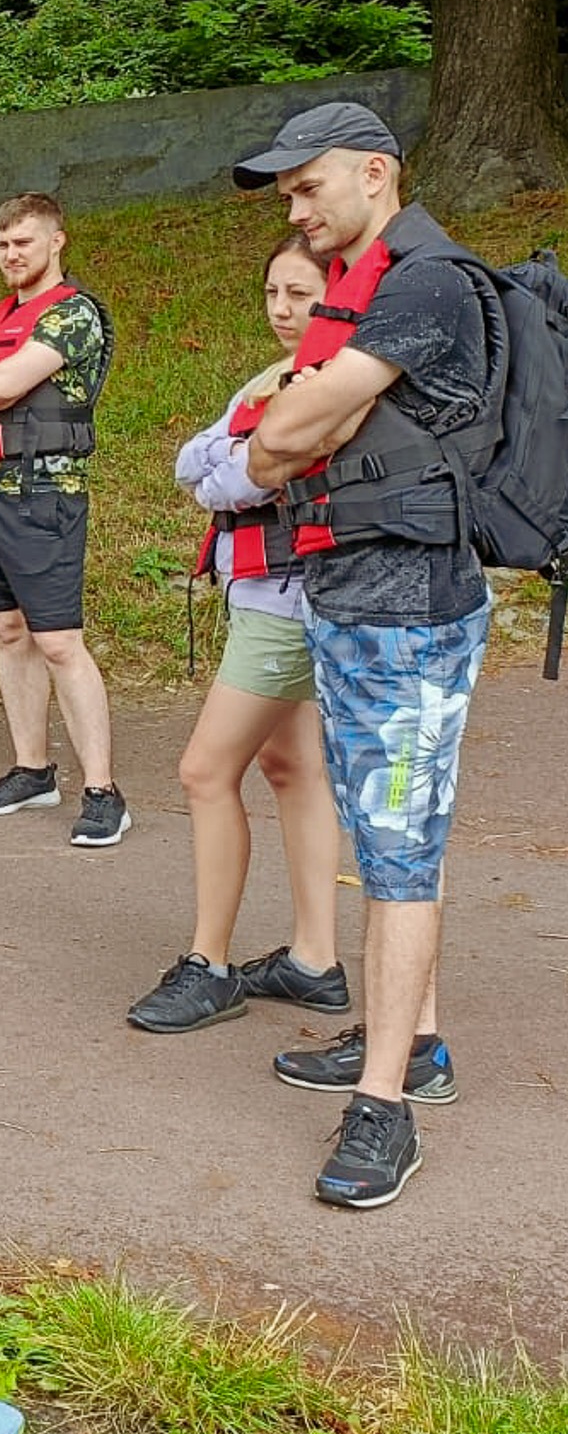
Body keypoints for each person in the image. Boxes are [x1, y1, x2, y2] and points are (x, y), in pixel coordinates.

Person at [235, 102, 490, 1209]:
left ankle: (383, 1103)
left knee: (396, 856)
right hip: (350, 594)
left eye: (306, 186)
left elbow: (275, 438)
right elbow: (279, 437)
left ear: (373, 171)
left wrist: (286, 421)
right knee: (382, 833)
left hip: (409, 613)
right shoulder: (360, 287)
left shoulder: (422, 283)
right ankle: (412, 1041)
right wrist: (287, 424)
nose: (295, 209)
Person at [127, 233, 346, 1032]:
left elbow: (244, 476)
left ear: (339, 299)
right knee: (291, 764)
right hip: (264, 591)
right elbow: (198, 461)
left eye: (303, 296)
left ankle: (208, 963)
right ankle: (315, 961)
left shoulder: (333, 377)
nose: (285, 311)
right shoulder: (271, 380)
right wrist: (234, 460)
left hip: (288, 600)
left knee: (203, 770)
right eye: (274, 294)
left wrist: (234, 464)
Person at [0, 193, 128, 847]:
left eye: (24, 243)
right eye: (3, 244)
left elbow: (1, 388)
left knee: (59, 640)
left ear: (56, 242)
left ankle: (103, 792)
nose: (12, 255)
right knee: (9, 633)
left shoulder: (72, 317)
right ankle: (33, 770)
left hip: (44, 493)